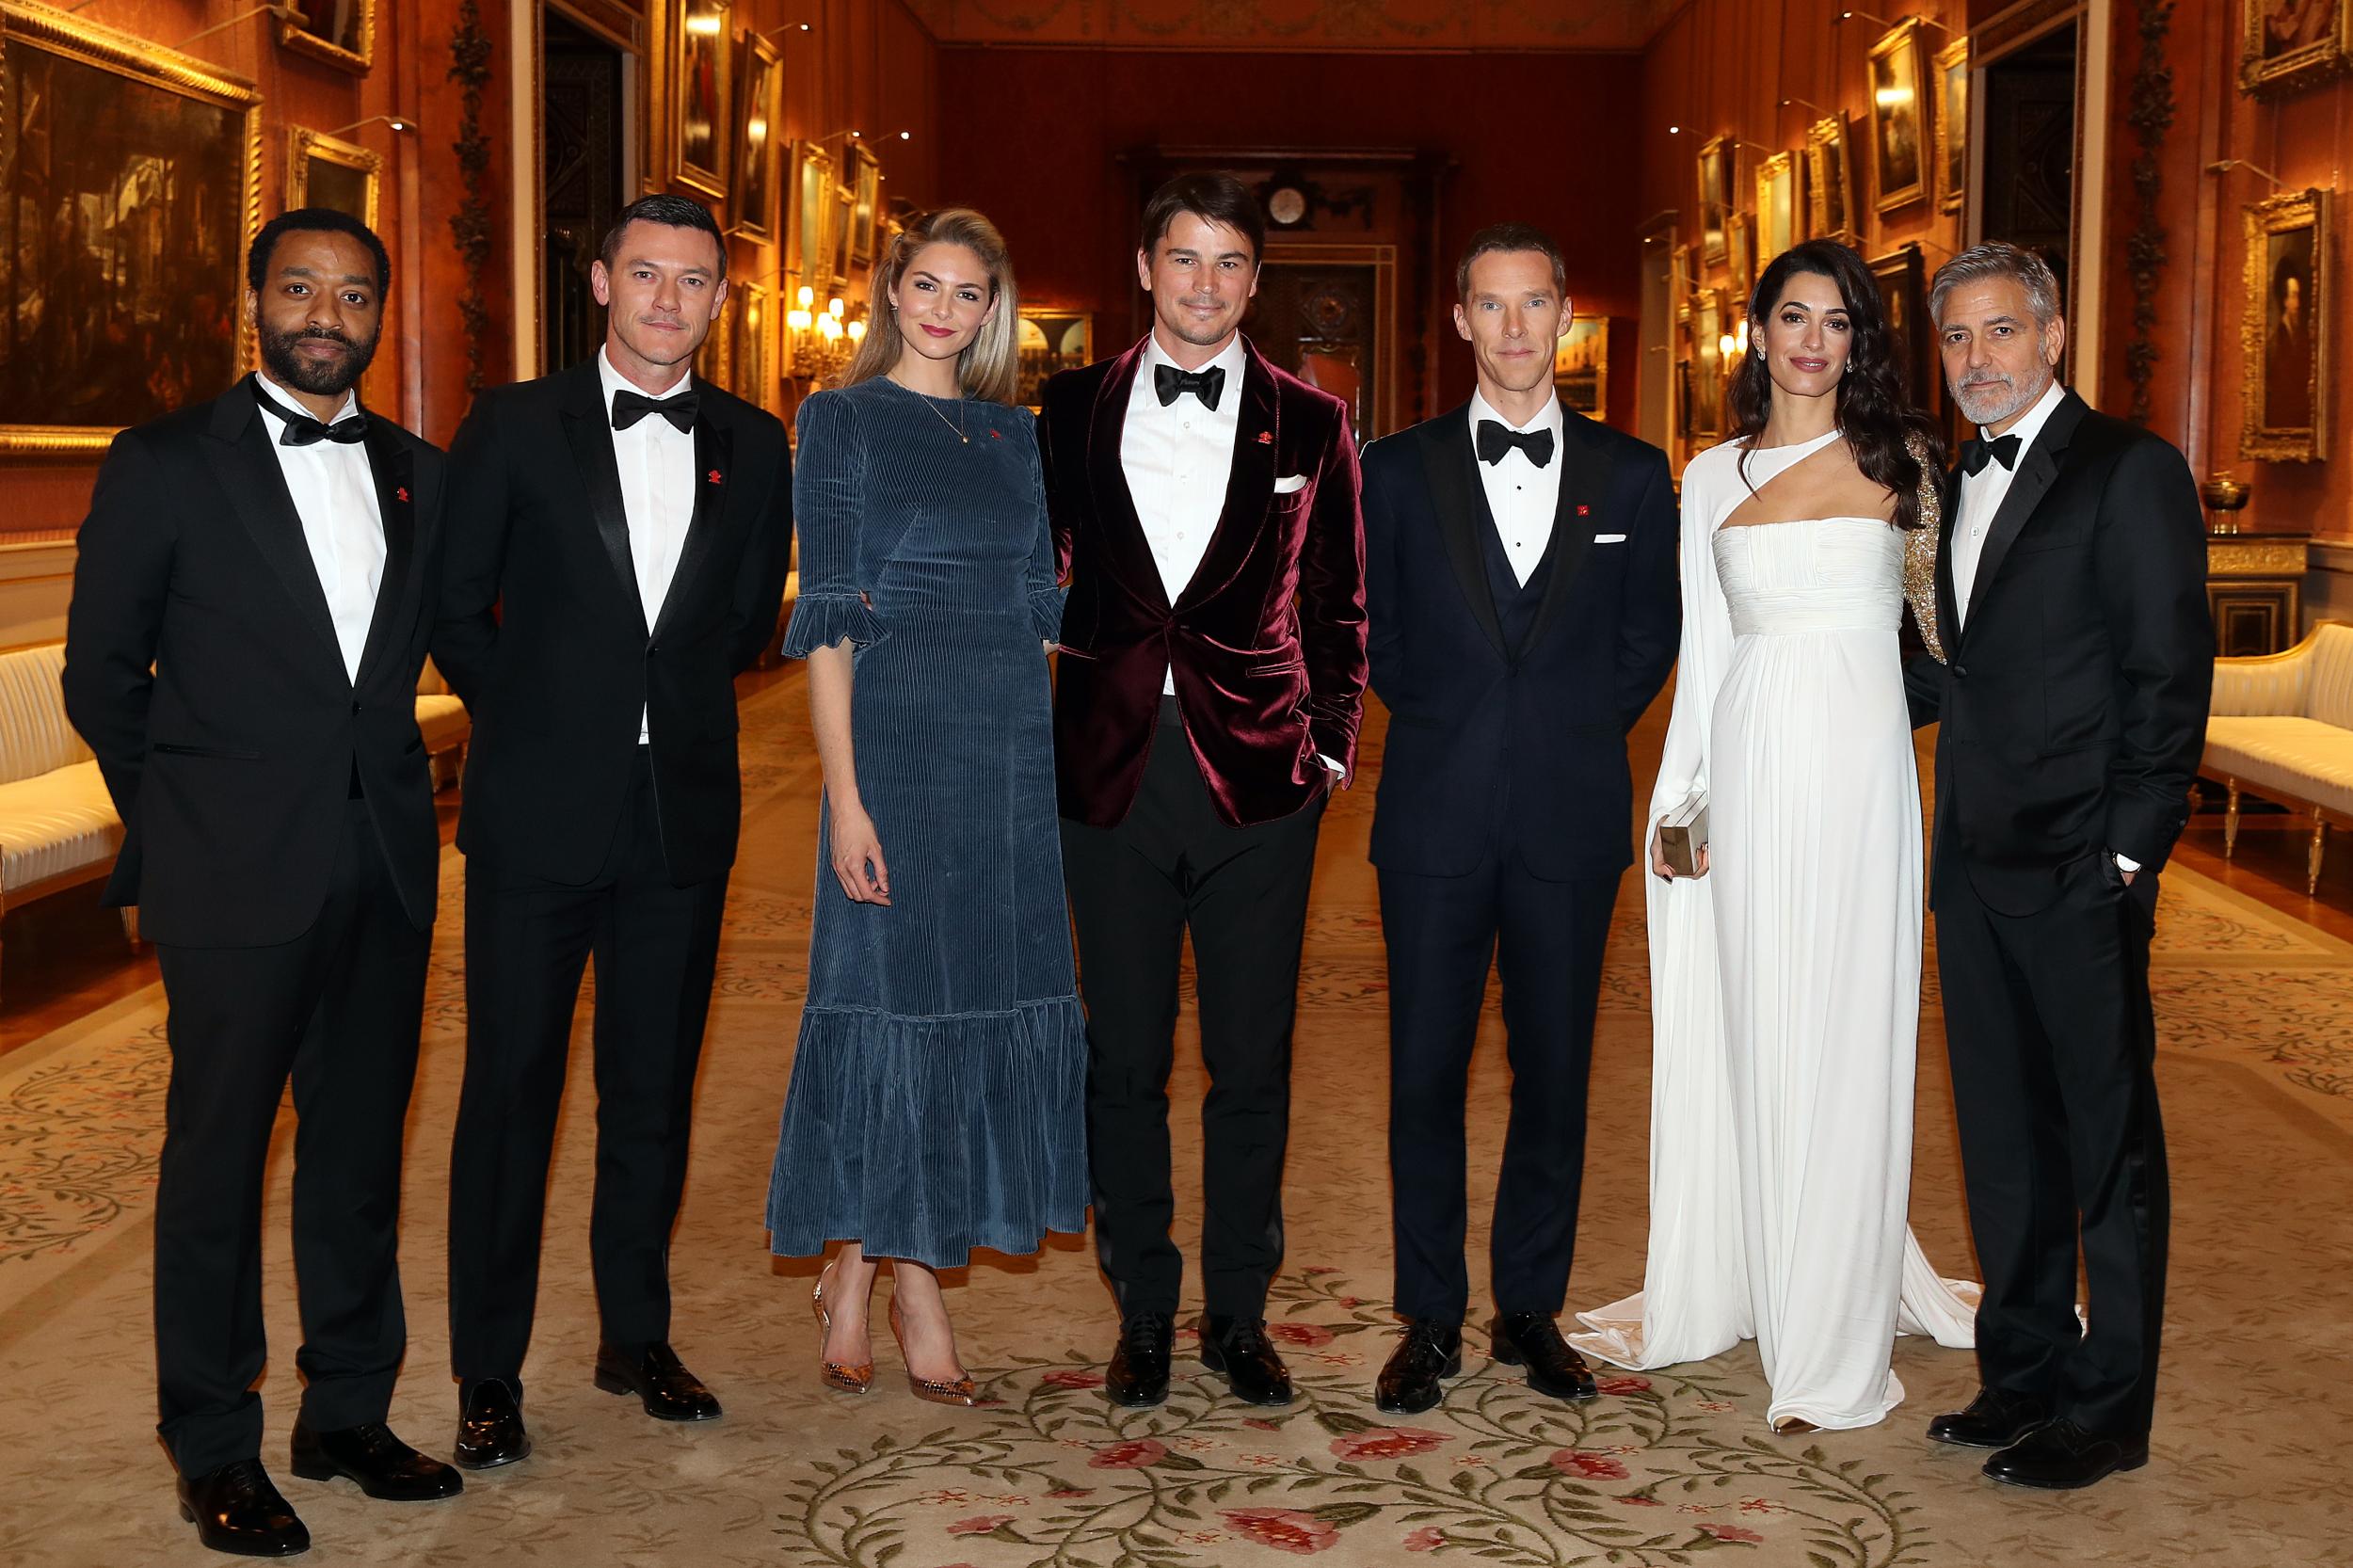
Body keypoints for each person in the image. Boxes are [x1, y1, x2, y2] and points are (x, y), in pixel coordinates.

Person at [63, 208, 461, 1557]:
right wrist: (179, 826)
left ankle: (345, 1411)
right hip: (229, 870)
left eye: (353, 295)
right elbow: (101, 677)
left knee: (356, 1158)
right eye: (300, 287)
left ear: (377, 317)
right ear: (254, 299)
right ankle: (213, 1442)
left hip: (385, 863)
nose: (324, 313)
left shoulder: (419, 471)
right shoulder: (167, 462)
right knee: (218, 1163)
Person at [1571, 239, 1978, 1432]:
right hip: (1745, 760)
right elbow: (1705, 656)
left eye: (1838, 321)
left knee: (1847, 1024)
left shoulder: (1906, 462)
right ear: (1756, 332)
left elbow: (1946, 644)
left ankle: (1833, 1320)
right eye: (1793, 316)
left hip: (1860, 773)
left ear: (1860, 340)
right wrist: (1682, 802)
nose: (1813, 340)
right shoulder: (1707, 476)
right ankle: (1748, 1263)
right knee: (1751, 1019)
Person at [435, 193, 793, 1467]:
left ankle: (634, 1333)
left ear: (717, 301)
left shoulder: (754, 446)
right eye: (645, 274)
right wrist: (536, 717)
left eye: (693, 282)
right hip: (535, 821)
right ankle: (489, 1371)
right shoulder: (515, 424)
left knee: (650, 1096)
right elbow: (451, 601)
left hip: (679, 826)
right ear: (599, 282)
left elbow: (749, 618)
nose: (666, 300)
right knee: (508, 1101)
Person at [1039, 172, 1368, 1409]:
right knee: (1121, 1061)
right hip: (1109, 776)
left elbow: (1340, 603)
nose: (1208, 284)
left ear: (1253, 281)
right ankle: (1142, 1312)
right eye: (1187, 259)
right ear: (1145, 267)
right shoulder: (1066, 409)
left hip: (1262, 787)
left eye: (1231, 264)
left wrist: (1326, 751)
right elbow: (1034, 575)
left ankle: (1238, 1314)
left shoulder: (1313, 423)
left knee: (1252, 1064)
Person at [765, 209, 1086, 1404]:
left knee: (967, 998)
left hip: (1005, 756)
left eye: (969, 292)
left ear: (993, 307)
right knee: (886, 1001)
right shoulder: (840, 421)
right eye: (926, 286)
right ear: (890, 293)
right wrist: (845, 799)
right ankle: (908, 1284)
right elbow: (830, 621)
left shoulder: (1018, 435)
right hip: (891, 749)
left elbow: (1050, 608)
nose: (944, 309)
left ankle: (860, 1263)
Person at [1359, 225, 1678, 1416]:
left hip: (1570, 813)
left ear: (1563, 317)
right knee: (1424, 1078)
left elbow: (1651, 631)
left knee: (1554, 1075)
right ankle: (1429, 1318)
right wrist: (1443, 712)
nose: (1511, 328)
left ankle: (1529, 1310)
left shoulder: (1635, 474)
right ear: (1458, 319)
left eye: (1532, 304)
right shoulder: (1392, 469)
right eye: (1488, 306)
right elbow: (1371, 626)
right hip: (1432, 816)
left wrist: (1574, 721)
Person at [1907, 242, 2210, 1489]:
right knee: (2002, 1138)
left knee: (2106, 1147)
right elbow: (1941, 667)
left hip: (2085, 863)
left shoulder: (2128, 470)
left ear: (2054, 335)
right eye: (1958, 339)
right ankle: (2020, 1371)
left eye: (2000, 333)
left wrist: (2131, 849)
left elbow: (2166, 675)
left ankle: (2109, 1410)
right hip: (1971, 863)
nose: (1977, 361)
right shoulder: (1941, 476)